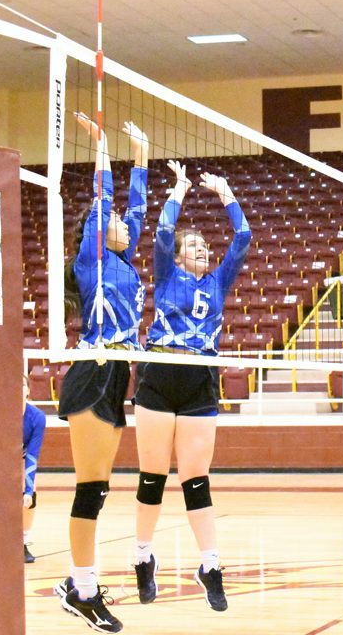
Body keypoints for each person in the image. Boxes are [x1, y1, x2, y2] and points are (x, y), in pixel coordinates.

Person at [131, 160, 251, 613]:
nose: (204, 248)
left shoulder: (218, 279)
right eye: (195, 245)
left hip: (200, 378)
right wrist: (179, 190)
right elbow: (163, 232)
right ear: (180, 255)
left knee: (196, 479)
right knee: (152, 476)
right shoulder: (167, 274)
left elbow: (243, 239)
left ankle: (210, 564)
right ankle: (142, 556)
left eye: (205, 245)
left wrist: (226, 194)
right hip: (159, 374)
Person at [53, 113, 150, 634]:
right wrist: (105, 147)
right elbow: (109, 198)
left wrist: (142, 151)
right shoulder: (92, 256)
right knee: (89, 488)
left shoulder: (127, 261)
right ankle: (82, 589)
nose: (122, 224)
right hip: (92, 369)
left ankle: (80, 584)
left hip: (118, 376)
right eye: (111, 221)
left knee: (101, 486)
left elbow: (136, 204)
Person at [22, 372, 46, 564]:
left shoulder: (37, 417)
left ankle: (22, 541)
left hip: (22, 458)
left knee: (30, 496)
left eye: (22, 385)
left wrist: (28, 490)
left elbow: (32, 455)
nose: (18, 388)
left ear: (28, 390)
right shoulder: (0, 413)